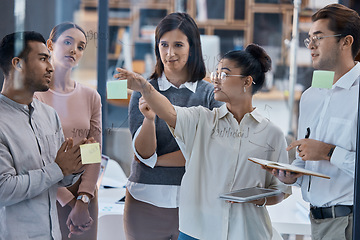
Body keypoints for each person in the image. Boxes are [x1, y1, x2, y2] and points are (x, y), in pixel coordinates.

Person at [116, 43, 291, 240]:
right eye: (215, 73)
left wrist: (257, 198)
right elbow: (169, 111)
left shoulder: (272, 134)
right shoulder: (203, 120)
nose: (215, 80)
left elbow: (280, 192)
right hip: (198, 232)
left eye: (223, 74)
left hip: (248, 233)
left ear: (247, 82)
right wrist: (144, 87)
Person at [124, 12, 223, 240]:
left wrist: (156, 161)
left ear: (193, 47)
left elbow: (210, 153)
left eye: (178, 44)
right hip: (144, 203)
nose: (170, 53)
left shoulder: (210, 95)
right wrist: (149, 120)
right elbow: (142, 153)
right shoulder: (144, 90)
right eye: (164, 44)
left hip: (195, 205)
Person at [266, 4, 360, 240]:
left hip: (348, 222)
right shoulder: (310, 96)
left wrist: (328, 152)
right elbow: (309, 161)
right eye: (308, 39)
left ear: (346, 42)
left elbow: (325, 154)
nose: (311, 46)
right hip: (315, 221)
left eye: (319, 38)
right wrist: (294, 173)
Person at [0, 31, 90, 239]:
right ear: (18, 63)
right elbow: (4, 190)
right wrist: (58, 168)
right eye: (43, 59)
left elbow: (60, 179)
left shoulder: (49, 115)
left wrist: (75, 165)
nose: (51, 67)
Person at [34, 22, 102, 240]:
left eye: (81, 46)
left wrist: (83, 199)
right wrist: (69, 202)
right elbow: (36, 158)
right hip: (47, 194)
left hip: (85, 194)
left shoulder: (91, 96)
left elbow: (94, 151)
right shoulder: (35, 97)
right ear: (50, 45)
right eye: (68, 42)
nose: (74, 49)